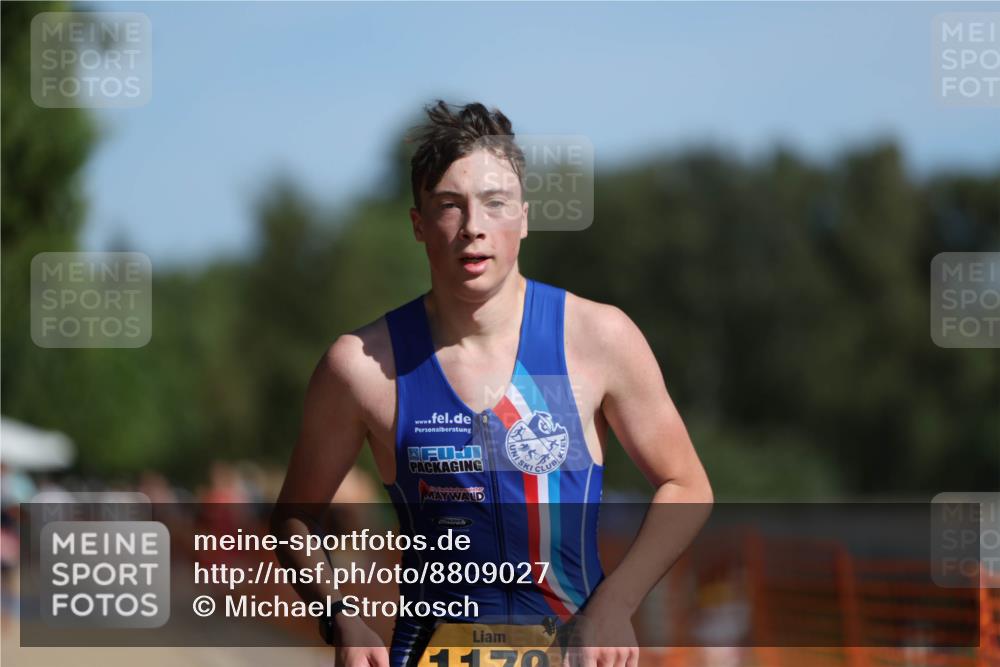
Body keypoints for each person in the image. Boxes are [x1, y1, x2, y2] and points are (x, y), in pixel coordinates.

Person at [276, 100, 714, 667]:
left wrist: (616, 604)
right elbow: (293, 515)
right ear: (418, 224)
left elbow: (686, 484)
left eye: (495, 203)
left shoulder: (599, 338)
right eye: (449, 207)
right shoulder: (359, 365)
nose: (474, 227)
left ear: (525, 217)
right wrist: (340, 618)